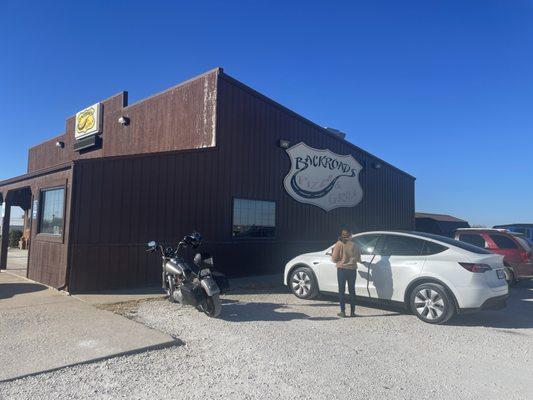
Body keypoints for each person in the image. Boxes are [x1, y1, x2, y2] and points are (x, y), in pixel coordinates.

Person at [331, 227, 361, 318]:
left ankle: (343, 312)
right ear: (350, 234)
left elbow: (334, 259)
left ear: (342, 234)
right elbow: (358, 259)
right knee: (352, 290)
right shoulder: (355, 245)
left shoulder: (339, 244)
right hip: (352, 270)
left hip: (342, 269)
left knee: (341, 290)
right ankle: (353, 312)